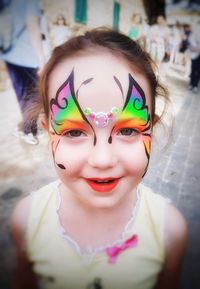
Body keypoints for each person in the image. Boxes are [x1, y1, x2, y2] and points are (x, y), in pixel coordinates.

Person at [11, 28, 188, 289]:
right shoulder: (27, 221)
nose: (103, 159)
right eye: (73, 131)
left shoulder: (169, 231)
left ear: (152, 126)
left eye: (128, 130)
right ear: (48, 130)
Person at [0, 0, 46, 145]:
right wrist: (41, 58)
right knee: (34, 95)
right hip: (28, 57)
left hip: (11, 56)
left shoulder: (10, 4)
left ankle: (29, 129)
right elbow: (32, 26)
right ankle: (28, 131)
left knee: (24, 95)